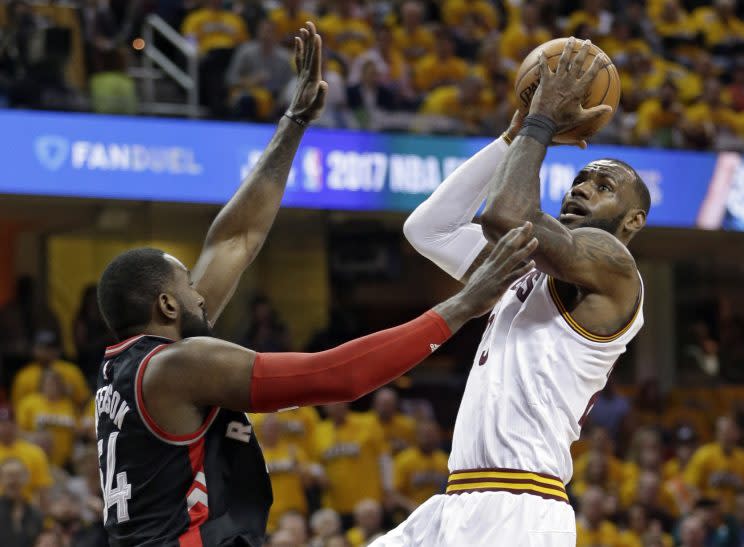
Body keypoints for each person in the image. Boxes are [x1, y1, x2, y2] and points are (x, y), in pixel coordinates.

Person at [93, 22, 538, 546]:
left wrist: (294, 122)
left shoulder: (133, 363)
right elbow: (335, 377)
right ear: (167, 304)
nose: (201, 289)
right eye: (189, 283)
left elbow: (235, 240)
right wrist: (462, 305)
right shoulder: (177, 365)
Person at [374, 38, 649, 545]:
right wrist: (513, 134)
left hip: (520, 504)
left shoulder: (616, 266)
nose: (581, 188)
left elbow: (503, 214)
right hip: (456, 499)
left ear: (634, 219)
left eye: (603, 187)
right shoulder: (524, 270)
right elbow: (428, 230)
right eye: (581, 179)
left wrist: (541, 120)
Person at [11, 331, 90, 414]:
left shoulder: (71, 371)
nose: (46, 351)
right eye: (41, 347)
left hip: (67, 418)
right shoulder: (24, 376)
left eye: (50, 347)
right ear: (34, 350)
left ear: (57, 350)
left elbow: (84, 401)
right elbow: (17, 406)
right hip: (35, 421)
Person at [0, 458, 44, 547]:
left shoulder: (36, 513)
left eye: (17, 475)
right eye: (9, 476)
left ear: (26, 478)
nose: (13, 481)